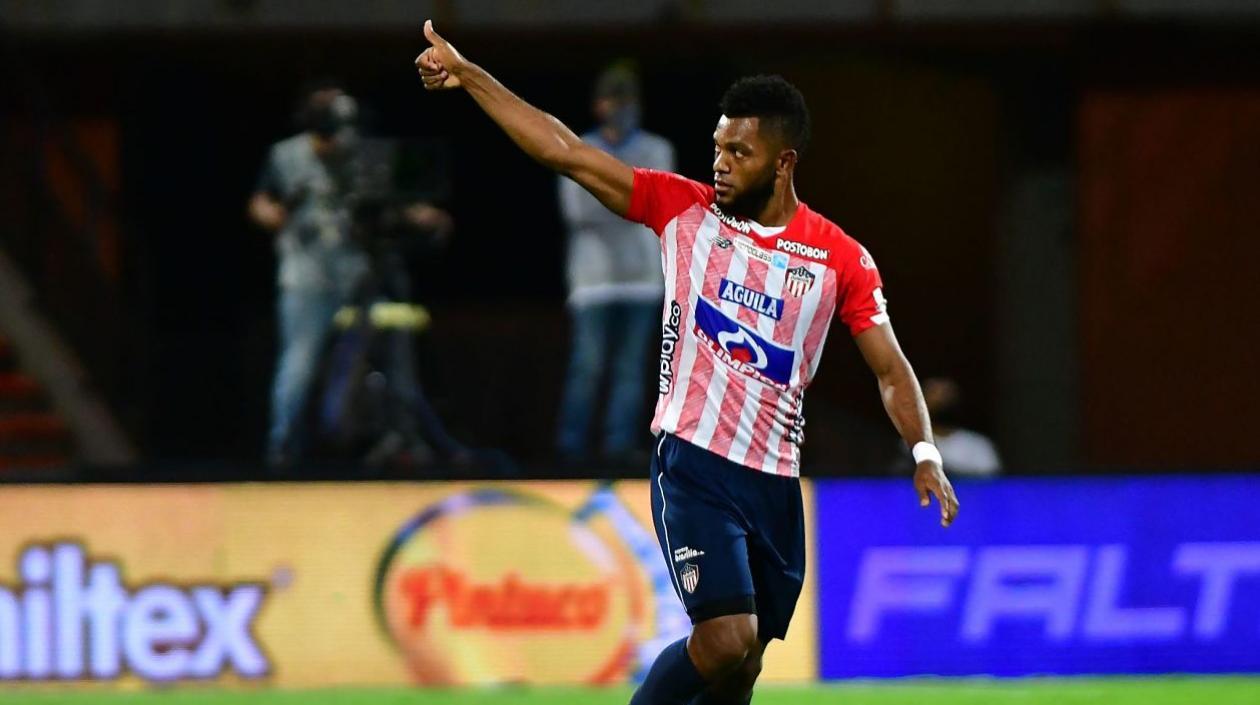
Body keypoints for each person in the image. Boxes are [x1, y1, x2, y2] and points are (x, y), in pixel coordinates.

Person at [414, 22, 959, 705]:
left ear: (783, 162)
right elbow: (566, 151)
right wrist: (470, 76)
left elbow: (889, 366)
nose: (721, 162)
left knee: (744, 665)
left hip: (775, 481)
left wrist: (925, 450)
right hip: (694, 463)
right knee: (725, 637)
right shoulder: (683, 211)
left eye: (740, 150)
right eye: (717, 147)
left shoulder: (838, 258)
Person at [556, 63, 676, 467]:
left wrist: (619, 198)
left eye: (628, 101)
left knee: (630, 369)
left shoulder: (658, 150)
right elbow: (576, 209)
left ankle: (618, 448)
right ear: (599, 105)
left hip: (642, 280)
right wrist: (634, 199)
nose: (621, 108)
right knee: (586, 366)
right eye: (614, 99)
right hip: (592, 281)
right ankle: (570, 451)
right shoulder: (576, 148)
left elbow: (661, 207)